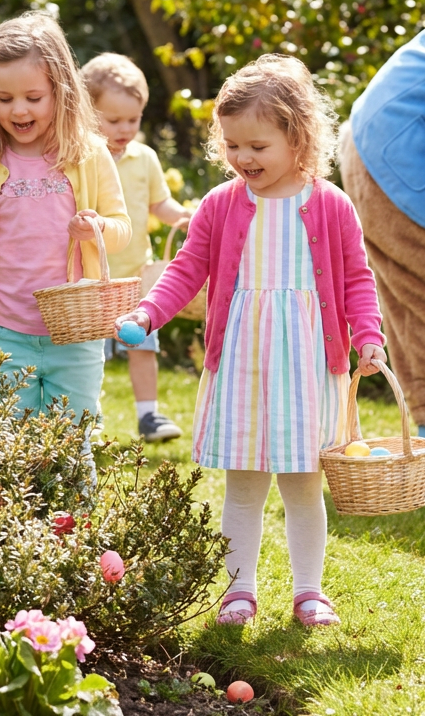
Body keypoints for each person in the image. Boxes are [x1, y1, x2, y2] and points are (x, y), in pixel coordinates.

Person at [118, 54, 386, 628]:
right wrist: (149, 311)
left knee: (302, 486)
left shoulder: (331, 205)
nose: (242, 158)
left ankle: (309, 592)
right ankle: (239, 592)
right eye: (233, 145)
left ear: (298, 138)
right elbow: (186, 270)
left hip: (310, 365)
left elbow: (358, 279)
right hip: (242, 362)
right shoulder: (220, 205)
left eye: (257, 147)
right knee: (243, 487)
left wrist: (368, 335)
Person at [0, 12, 131, 426]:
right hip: (4, 333)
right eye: (5, 98)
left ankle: (73, 496)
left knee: (73, 441)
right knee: (10, 447)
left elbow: (121, 228)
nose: (19, 110)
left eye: (34, 98)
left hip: (75, 332)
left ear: (61, 91)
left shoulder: (87, 155)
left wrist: (98, 228)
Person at [80, 53, 192, 443]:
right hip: (90, 276)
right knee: (89, 353)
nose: (125, 128)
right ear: (87, 113)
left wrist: (185, 216)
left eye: (133, 119)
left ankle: (149, 415)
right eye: (114, 121)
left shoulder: (145, 158)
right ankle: (87, 418)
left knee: (143, 344)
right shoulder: (82, 159)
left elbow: (159, 205)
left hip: (135, 278)